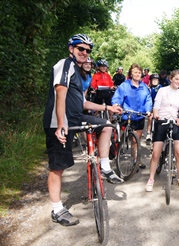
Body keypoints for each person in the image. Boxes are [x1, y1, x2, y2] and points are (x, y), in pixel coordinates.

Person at [43, 34, 123, 227]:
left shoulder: (79, 73)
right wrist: (62, 123)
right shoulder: (65, 64)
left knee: (106, 126)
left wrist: (107, 108)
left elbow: (82, 102)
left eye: (88, 51)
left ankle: (104, 166)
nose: (85, 53)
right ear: (71, 49)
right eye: (81, 49)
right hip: (58, 121)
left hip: (75, 117)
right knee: (58, 167)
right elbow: (60, 92)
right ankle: (57, 209)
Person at [145, 70, 179, 192]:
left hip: (174, 122)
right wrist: (156, 115)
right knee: (156, 154)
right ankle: (151, 179)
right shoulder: (163, 90)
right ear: (171, 79)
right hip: (161, 122)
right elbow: (156, 105)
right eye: (177, 79)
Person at [112, 63, 153, 169]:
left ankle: (136, 159)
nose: (137, 74)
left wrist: (148, 110)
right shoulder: (124, 85)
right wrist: (116, 104)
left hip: (139, 116)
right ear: (131, 73)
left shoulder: (144, 87)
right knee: (123, 136)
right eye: (135, 72)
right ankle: (117, 148)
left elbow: (148, 100)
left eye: (139, 72)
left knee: (136, 140)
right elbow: (117, 97)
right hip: (127, 115)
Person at [146, 73, 162, 144]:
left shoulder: (161, 88)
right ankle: (148, 133)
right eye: (153, 80)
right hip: (151, 106)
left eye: (156, 80)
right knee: (150, 118)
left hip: (160, 107)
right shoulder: (149, 89)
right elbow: (147, 99)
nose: (155, 81)